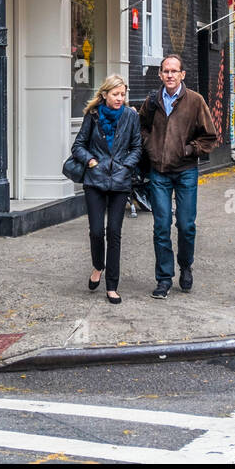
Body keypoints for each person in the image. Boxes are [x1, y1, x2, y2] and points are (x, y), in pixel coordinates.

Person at [137, 53, 217, 299]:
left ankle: (185, 265)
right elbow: (140, 129)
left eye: (174, 71)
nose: (169, 75)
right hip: (159, 173)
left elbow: (209, 136)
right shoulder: (152, 101)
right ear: (160, 75)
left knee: (185, 225)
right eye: (165, 71)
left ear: (182, 74)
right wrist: (150, 147)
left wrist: (189, 149)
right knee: (161, 226)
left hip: (185, 172)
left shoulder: (195, 101)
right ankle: (163, 279)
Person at [70, 74, 141, 305]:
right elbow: (78, 145)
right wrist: (91, 161)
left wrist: (126, 166)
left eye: (123, 94)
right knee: (96, 231)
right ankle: (98, 265)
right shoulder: (93, 116)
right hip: (95, 180)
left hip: (120, 181)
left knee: (114, 232)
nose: (120, 98)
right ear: (104, 95)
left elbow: (137, 147)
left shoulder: (131, 116)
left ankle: (112, 286)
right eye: (115, 94)